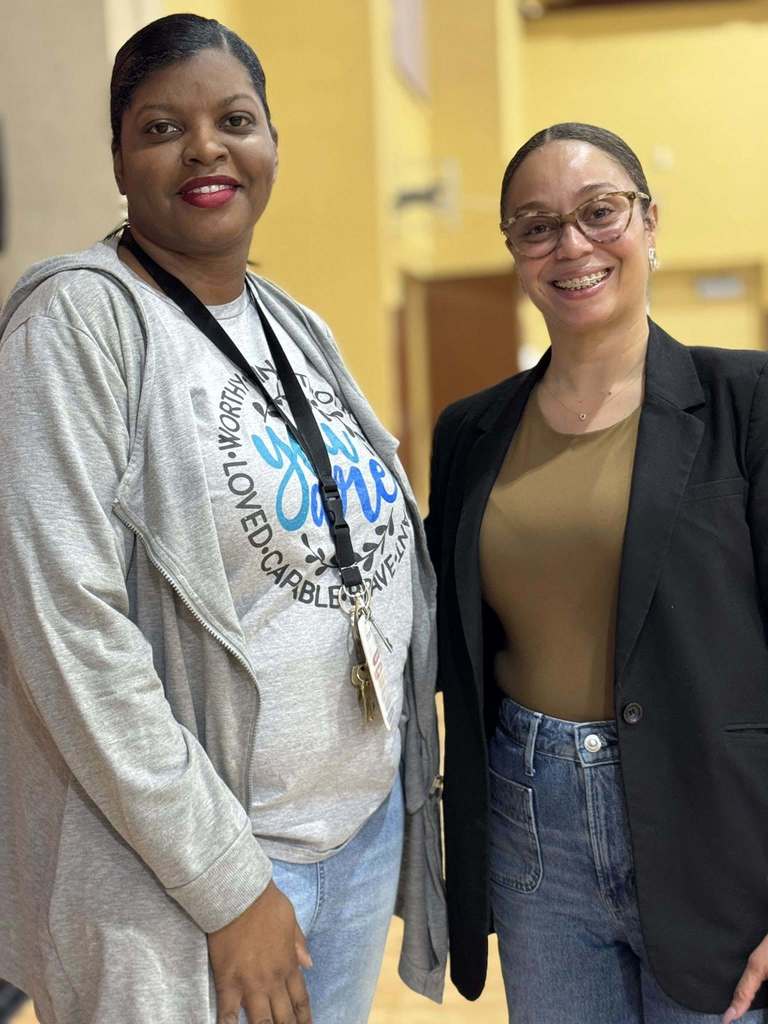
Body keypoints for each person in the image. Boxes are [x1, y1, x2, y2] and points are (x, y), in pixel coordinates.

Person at [0, 14, 446, 1024]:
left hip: (351, 837)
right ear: (118, 159)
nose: (205, 146)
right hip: (201, 879)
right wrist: (228, 885)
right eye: (162, 127)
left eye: (233, 119)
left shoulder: (292, 322)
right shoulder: (74, 325)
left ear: (272, 145)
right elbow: (66, 630)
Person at [426, 121, 768, 1023]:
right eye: (536, 225)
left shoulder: (749, 404)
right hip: (533, 829)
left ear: (650, 222)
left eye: (598, 212)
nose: (570, 244)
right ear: (514, 251)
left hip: (715, 826)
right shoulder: (470, 433)